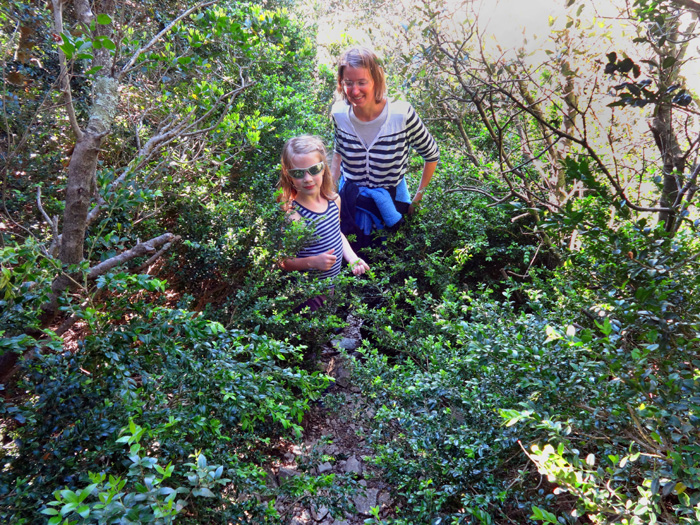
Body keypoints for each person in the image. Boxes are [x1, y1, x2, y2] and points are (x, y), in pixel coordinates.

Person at [330, 46, 439, 248]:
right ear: (341, 83)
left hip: (392, 202)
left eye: (362, 82)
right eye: (348, 83)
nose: (354, 91)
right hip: (350, 200)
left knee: (393, 260)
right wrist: (329, 191)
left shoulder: (401, 114)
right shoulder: (339, 114)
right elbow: (339, 151)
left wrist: (418, 198)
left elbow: (431, 154)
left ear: (376, 81)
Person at [277, 136, 369, 311]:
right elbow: (284, 261)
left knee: (330, 326)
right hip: (308, 292)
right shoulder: (293, 215)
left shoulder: (334, 200)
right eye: (298, 173)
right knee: (311, 334)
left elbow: (337, 233)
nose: (308, 178)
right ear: (288, 176)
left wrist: (352, 258)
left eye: (314, 169)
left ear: (324, 169)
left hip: (333, 284)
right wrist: (313, 262)